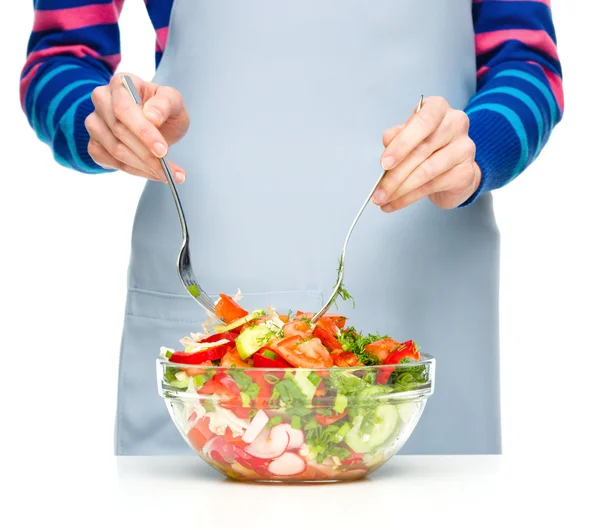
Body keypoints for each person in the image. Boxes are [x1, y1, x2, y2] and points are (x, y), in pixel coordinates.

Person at [21, 0, 563, 456]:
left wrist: (475, 148)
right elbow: (60, 57)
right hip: (208, 293)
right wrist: (102, 122)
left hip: (426, 296)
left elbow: (527, 63)